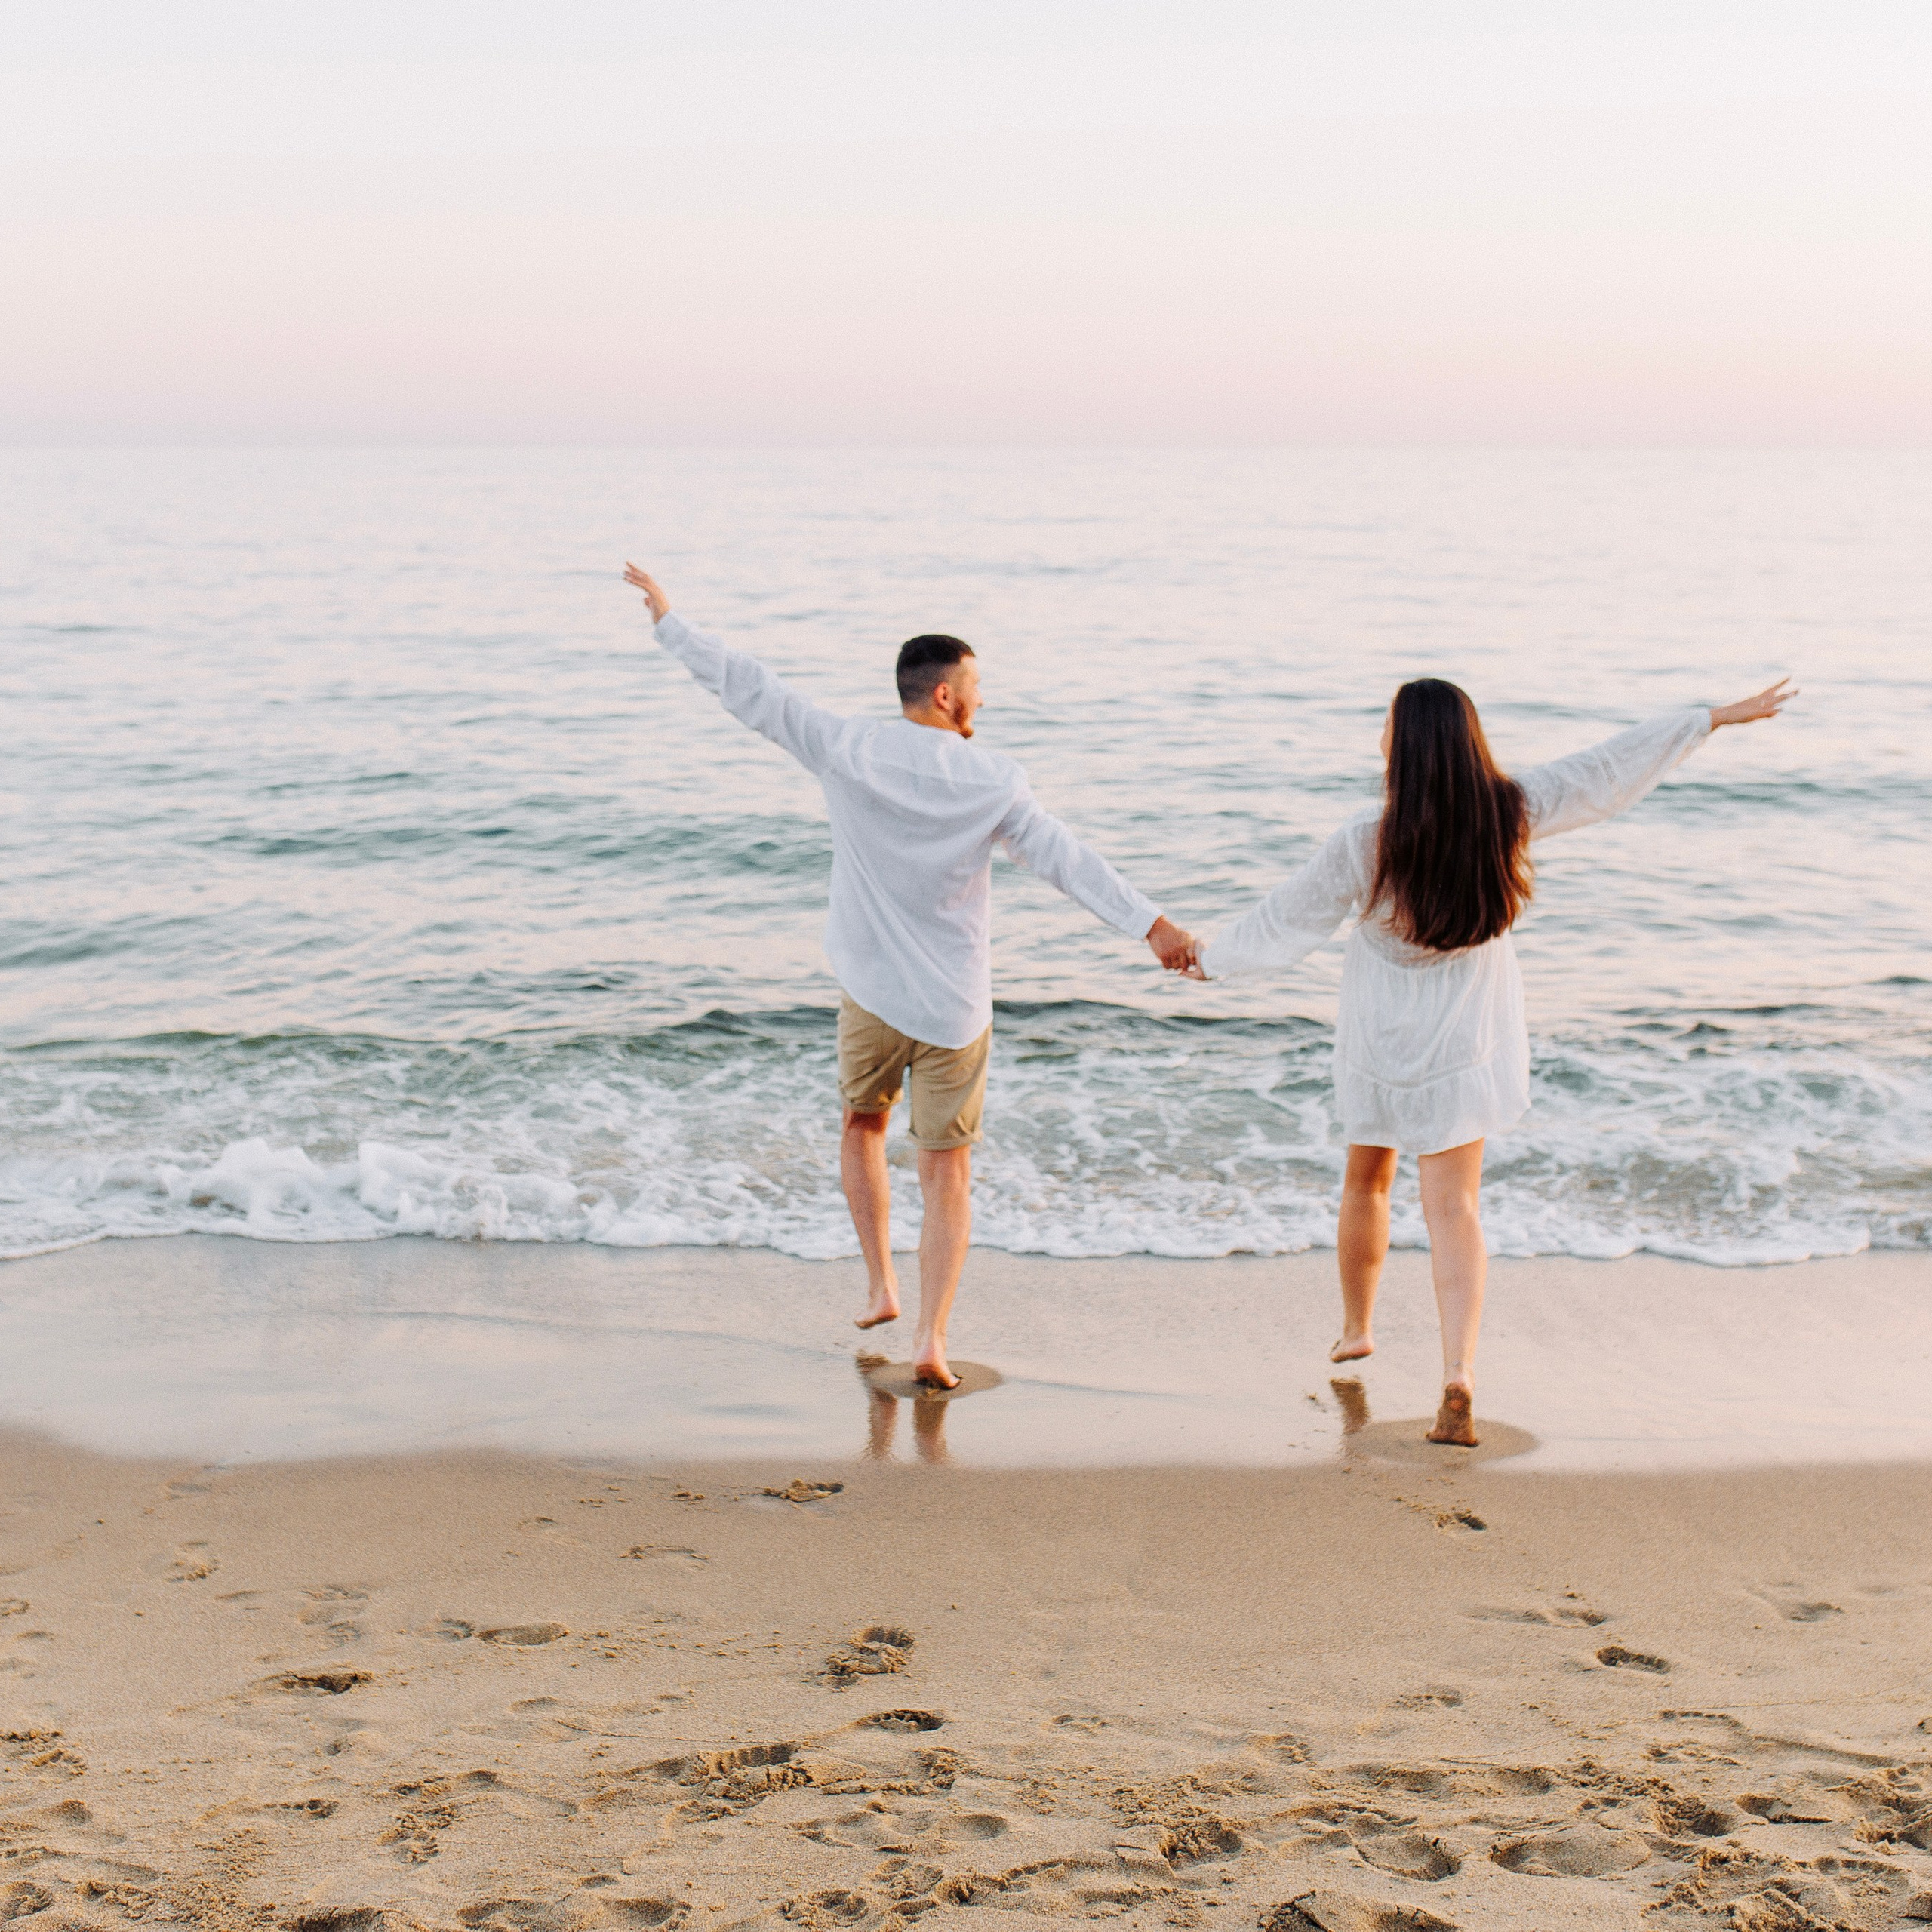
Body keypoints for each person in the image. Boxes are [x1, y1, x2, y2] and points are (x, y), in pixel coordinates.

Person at [623, 565, 1196, 1387]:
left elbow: (750, 689)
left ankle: (879, 1282)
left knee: (861, 1125)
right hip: (954, 1008)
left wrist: (670, 622)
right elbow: (1068, 859)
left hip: (870, 993)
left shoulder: (844, 745)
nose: (982, 702)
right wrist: (1154, 926)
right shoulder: (994, 780)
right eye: (974, 689)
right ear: (942, 698)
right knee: (946, 1170)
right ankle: (931, 1338)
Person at [1189, 676, 1793, 1445]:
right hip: (1464, 1043)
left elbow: (1283, 921)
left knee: (1366, 1178)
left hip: (1381, 1043)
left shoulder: (1364, 840)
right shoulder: (1509, 813)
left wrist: (1205, 959)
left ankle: (1355, 1327)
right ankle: (1457, 1372)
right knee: (1455, 1207)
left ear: (1399, 745)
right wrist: (1706, 718)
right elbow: (1606, 770)